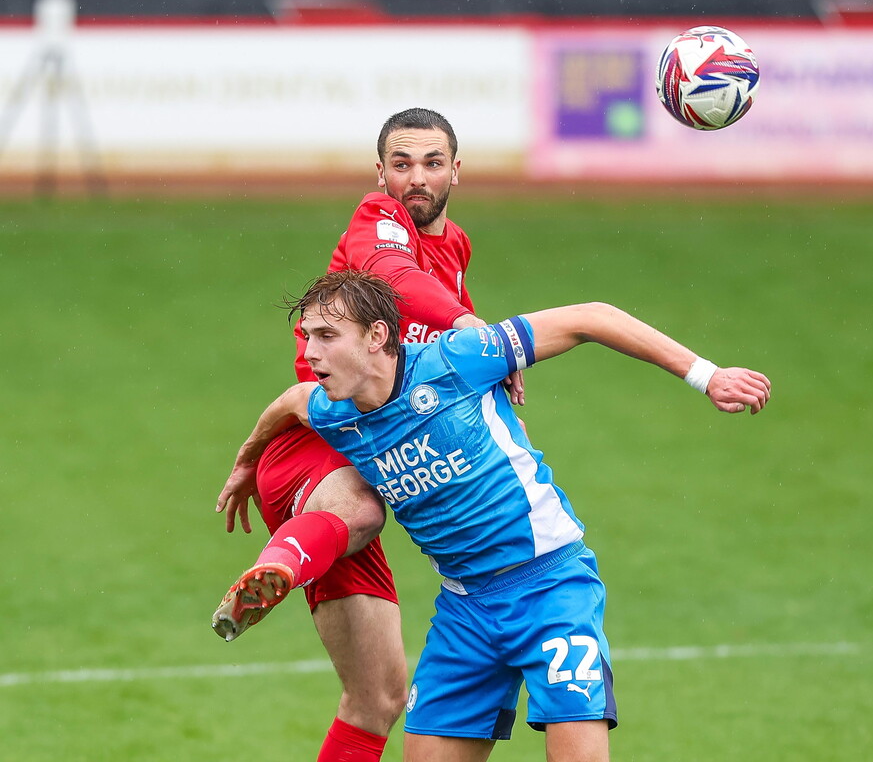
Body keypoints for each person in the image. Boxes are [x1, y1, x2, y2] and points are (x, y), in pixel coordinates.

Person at [215, 269, 771, 762]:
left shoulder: (457, 360)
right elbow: (289, 402)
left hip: (551, 589)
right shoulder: (332, 411)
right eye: (307, 336)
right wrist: (247, 458)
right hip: (465, 611)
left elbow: (591, 318)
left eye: (327, 336)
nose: (311, 352)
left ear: (378, 336)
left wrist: (706, 375)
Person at [212, 108, 521, 762]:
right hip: (318, 441)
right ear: (380, 172)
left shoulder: (456, 246)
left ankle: (291, 558)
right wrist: (470, 324)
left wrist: (490, 370)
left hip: (363, 447)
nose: (416, 178)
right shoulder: (375, 222)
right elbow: (395, 277)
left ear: (455, 172)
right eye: (401, 163)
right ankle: (279, 565)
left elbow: (432, 357)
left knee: (377, 698)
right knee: (361, 506)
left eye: (432, 163)